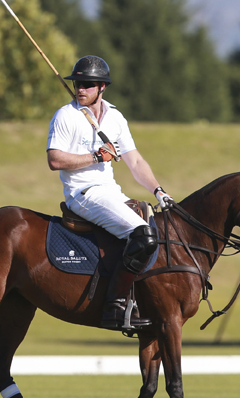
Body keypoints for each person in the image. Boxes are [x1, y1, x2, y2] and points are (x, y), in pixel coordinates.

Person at [46, 55, 173, 331]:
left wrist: (158, 190)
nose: (81, 89)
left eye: (88, 84)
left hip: (111, 192)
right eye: (78, 83)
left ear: (102, 87)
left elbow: (135, 162)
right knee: (142, 234)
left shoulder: (115, 118)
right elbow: (55, 160)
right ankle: (114, 307)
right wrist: (95, 156)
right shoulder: (66, 116)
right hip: (83, 193)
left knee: (157, 230)